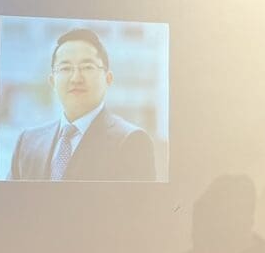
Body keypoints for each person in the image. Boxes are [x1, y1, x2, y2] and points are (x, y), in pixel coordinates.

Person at [9, 27, 156, 181]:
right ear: (52, 81)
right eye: (65, 68)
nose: (76, 78)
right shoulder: (27, 142)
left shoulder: (132, 141)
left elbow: (139, 205)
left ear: (108, 79)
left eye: (87, 67)